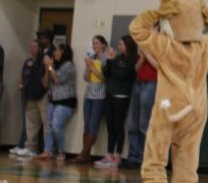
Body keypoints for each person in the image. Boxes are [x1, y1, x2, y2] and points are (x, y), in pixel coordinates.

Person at [96, 35, 137, 169]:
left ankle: (118, 156)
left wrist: (112, 62)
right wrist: (108, 60)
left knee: (118, 126)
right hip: (110, 94)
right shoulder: (116, 59)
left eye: (121, 44)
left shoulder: (132, 59)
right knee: (110, 126)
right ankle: (108, 154)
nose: (119, 46)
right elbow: (106, 73)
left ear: (128, 45)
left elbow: (122, 74)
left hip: (122, 96)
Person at [16, 29, 55, 158]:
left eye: (41, 38)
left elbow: (49, 72)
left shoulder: (52, 52)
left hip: (44, 92)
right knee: (31, 121)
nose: (39, 40)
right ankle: (30, 146)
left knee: (46, 121)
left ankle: (49, 149)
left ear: (48, 39)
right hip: (32, 91)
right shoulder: (40, 53)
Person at [36, 44, 77, 162]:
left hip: (66, 101)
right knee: (48, 126)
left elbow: (58, 79)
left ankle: (61, 152)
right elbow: (45, 83)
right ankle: (47, 151)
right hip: (53, 100)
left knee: (56, 126)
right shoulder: (54, 65)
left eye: (57, 50)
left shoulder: (68, 65)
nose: (54, 52)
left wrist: (49, 66)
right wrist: (47, 69)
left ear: (63, 52)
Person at [73, 35, 108, 163]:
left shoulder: (106, 59)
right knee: (86, 125)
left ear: (103, 45)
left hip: (100, 96)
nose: (95, 46)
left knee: (93, 125)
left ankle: (83, 154)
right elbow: (86, 78)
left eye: (97, 43)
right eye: (93, 44)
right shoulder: (91, 58)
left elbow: (104, 78)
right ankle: (85, 155)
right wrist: (88, 67)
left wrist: (93, 67)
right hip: (88, 95)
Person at [125, 47, 158, 169]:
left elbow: (161, 67)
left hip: (152, 83)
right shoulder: (143, 44)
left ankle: (146, 158)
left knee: (145, 124)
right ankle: (133, 157)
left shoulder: (161, 44)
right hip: (138, 83)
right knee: (133, 123)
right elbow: (136, 69)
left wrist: (147, 54)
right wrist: (142, 57)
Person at [9, 40, 39, 155]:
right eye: (31, 46)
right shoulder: (27, 61)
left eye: (35, 46)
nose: (32, 49)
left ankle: (28, 144)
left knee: (31, 121)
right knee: (24, 119)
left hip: (34, 93)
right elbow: (22, 75)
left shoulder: (39, 62)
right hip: (25, 92)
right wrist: (20, 84)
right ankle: (21, 144)